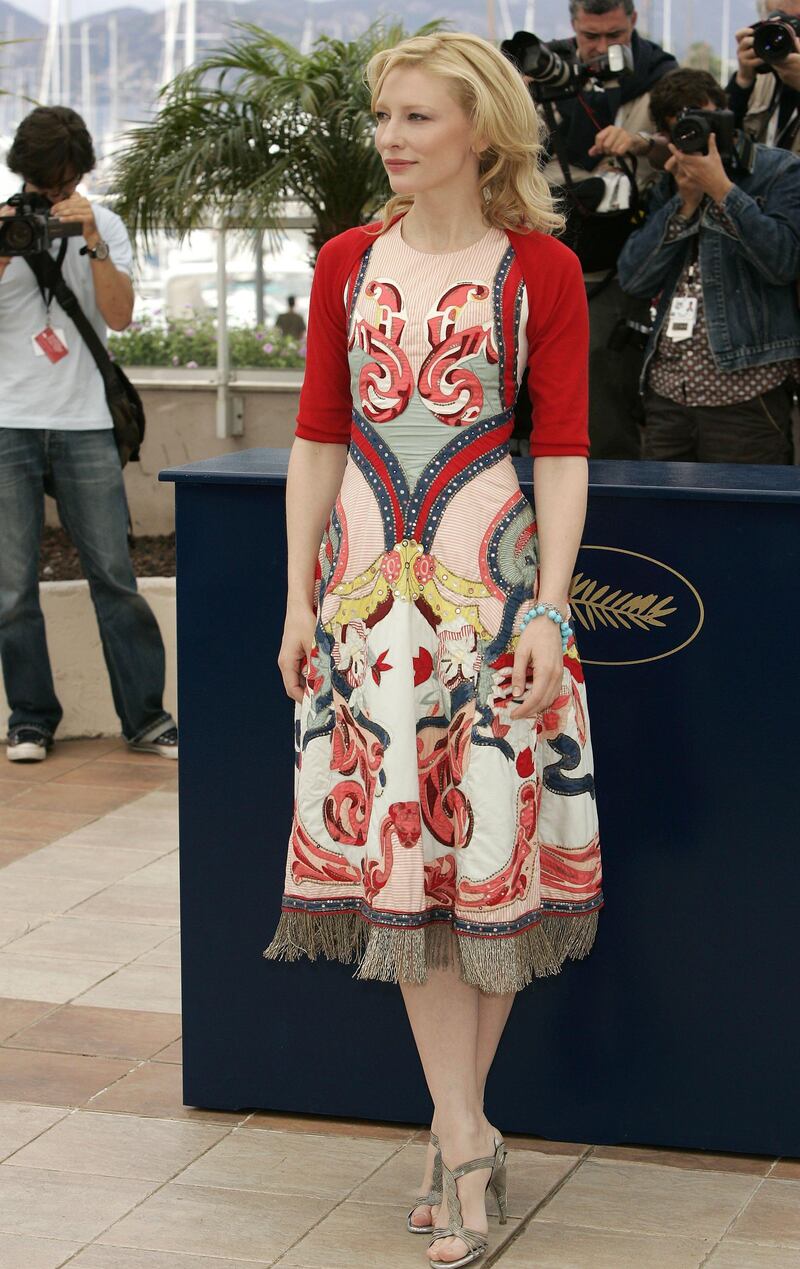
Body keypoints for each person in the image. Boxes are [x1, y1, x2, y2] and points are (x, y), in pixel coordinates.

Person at [264, 32, 602, 1268]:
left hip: (494, 597)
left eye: (414, 116)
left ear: (479, 129)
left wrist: (551, 612)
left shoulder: (543, 270)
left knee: (488, 860)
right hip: (363, 603)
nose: (391, 138)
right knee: (405, 862)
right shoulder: (346, 263)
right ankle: (464, 1135)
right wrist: (301, 601)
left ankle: (456, 1130)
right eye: (382, 118)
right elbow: (314, 435)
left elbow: (560, 451)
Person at [0, 106, 178, 762]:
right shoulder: (4, 224)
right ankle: (29, 719)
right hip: (7, 420)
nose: (50, 198)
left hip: (83, 422)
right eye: (42, 186)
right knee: (11, 586)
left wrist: (92, 241)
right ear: (23, 174)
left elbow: (121, 316)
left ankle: (147, 717)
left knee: (113, 572)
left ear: (79, 175)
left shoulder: (102, 223)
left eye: (62, 184)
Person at [506, 2, 677, 459]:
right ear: (573, 28)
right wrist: (519, 95)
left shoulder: (660, 74)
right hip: (541, 253)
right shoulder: (548, 71)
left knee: (602, 386)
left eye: (615, 36)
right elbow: (505, 151)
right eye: (590, 37)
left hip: (620, 265)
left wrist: (639, 144)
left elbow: (689, 146)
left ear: (635, 23)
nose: (602, 48)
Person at [617, 69, 800, 464]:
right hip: (669, 394)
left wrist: (722, 190)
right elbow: (633, 277)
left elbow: (783, 263)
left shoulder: (779, 171)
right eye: (685, 128)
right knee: (666, 520)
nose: (702, 136)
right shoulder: (673, 180)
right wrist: (684, 203)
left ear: (728, 113)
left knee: (746, 521)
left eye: (710, 122)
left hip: (747, 393)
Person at [729, 2, 800, 154]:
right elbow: (723, 139)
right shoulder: (761, 73)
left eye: (798, 21)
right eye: (782, 20)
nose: (791, 32)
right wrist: (743, 81)